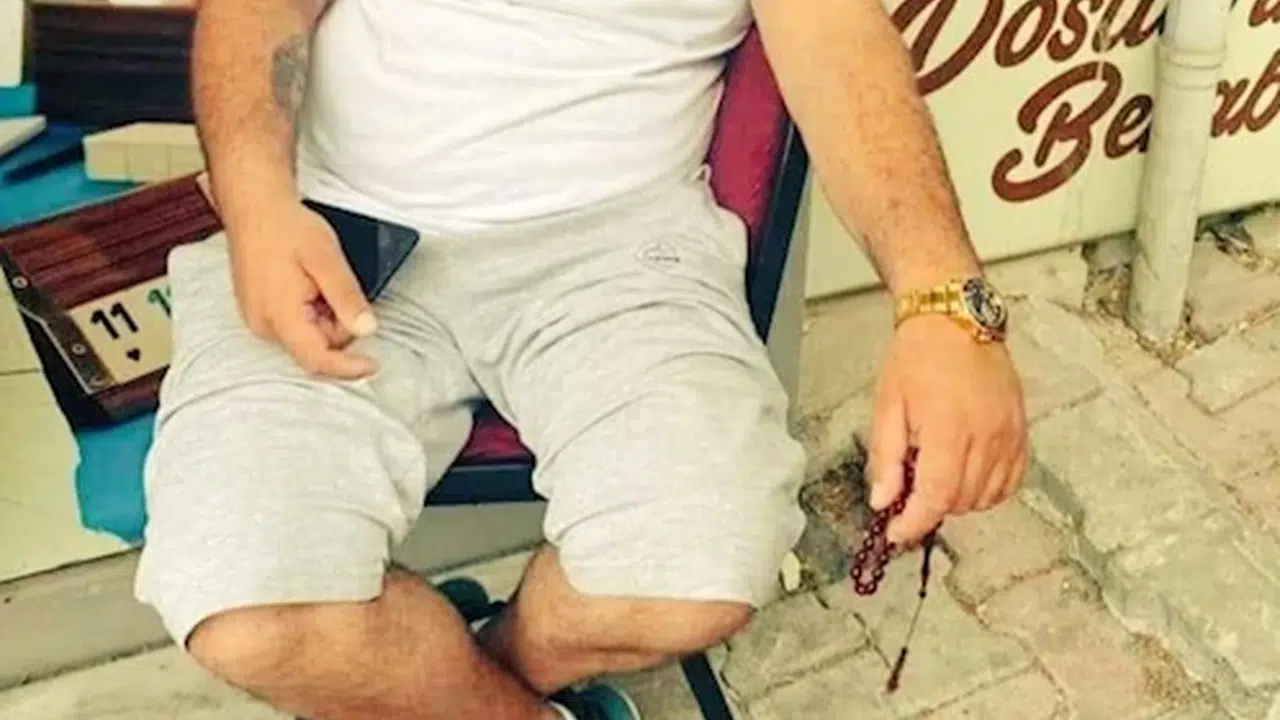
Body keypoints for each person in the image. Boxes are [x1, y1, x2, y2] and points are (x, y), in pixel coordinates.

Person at [133, 0, 1029, 717]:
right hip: (335, 227)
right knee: (246, 614)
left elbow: (834, 32)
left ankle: (461, 669)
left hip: (618, 247)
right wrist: (257, 206)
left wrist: (945, 305)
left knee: (698, 572)